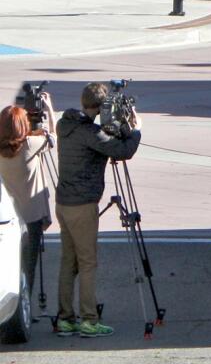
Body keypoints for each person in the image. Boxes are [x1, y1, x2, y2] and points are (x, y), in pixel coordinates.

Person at [55, 83, 141, 338]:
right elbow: (124, 150)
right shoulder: (89, 133)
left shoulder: (65, 125)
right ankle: (89, 320)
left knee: (68, 262)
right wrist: (135, 130)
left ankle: (65, 319)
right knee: (88, 262)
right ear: (102, 107)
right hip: (82, 205)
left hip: (64, 202)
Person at [0, 93, 56, 297]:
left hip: (8, 217)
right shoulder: (31, 145)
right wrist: (49, 110)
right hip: (31, 217)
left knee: (8, 267)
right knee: (28, 266)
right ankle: (25, 306)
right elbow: (52, 137)